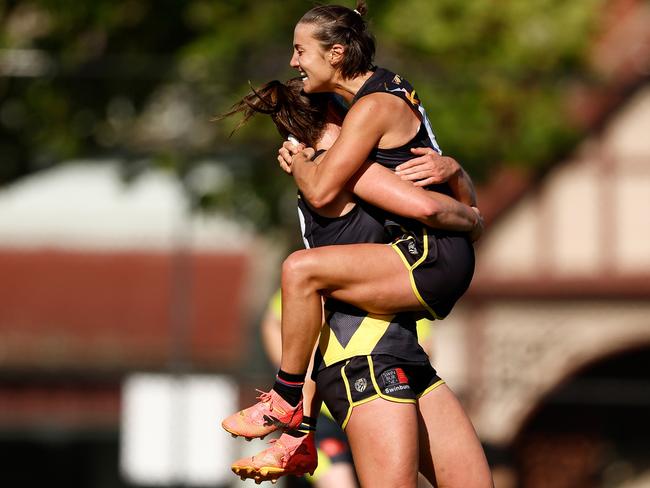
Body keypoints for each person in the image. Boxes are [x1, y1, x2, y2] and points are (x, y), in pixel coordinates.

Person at [222, 3, 494, 482]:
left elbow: (420, 200)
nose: (293, 61)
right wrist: (470, 210)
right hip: (369, 352)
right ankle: (290, 414)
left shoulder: (366, 119)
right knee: (300, 270)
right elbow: (427, 202)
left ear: (339, 52)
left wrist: (459, 180)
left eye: (300, 50)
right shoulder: (360, 139)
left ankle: (288, 411)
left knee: (300, 270)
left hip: (396, 337)